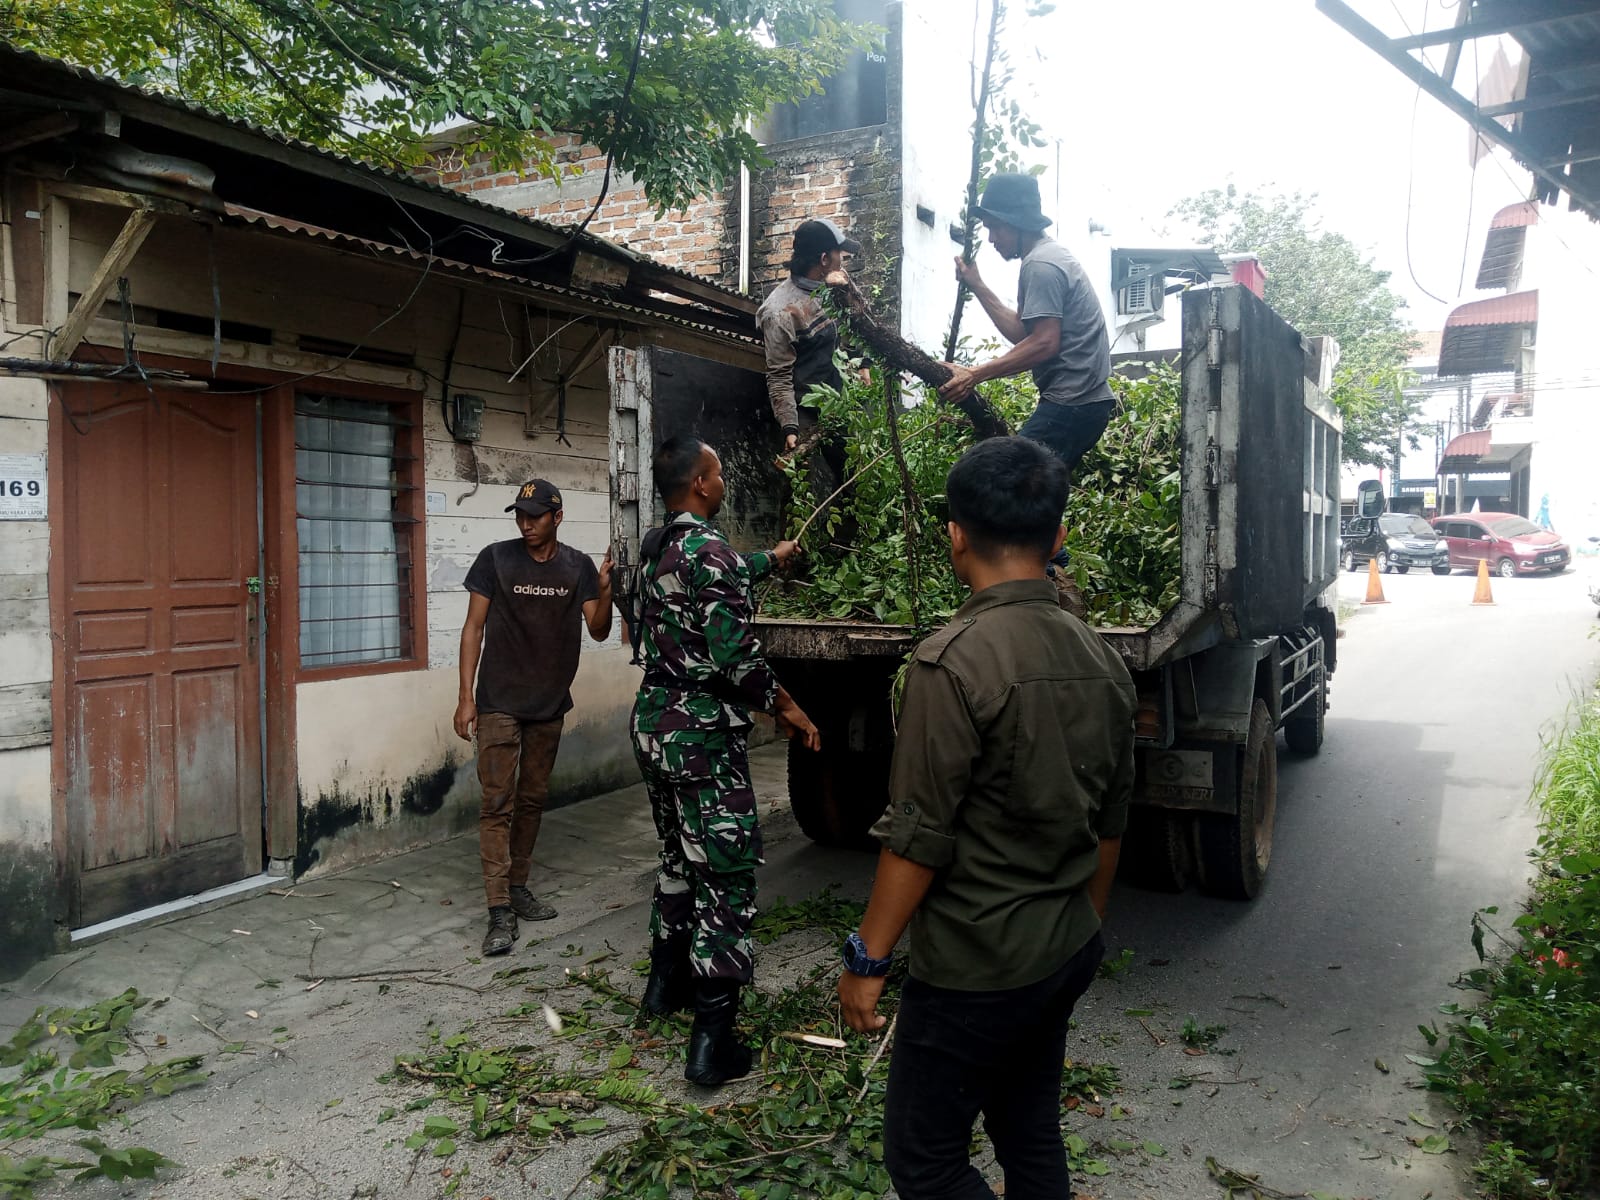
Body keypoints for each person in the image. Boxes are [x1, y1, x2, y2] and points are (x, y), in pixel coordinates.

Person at [836, 436, 1136, 1200]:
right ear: (1058, 537)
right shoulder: (1104, 660)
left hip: (978, 966)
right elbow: (1110, 821)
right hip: (1063, 946)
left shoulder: (951, 662)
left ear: (955, 535)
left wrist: (867, 960)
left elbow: (918, 837)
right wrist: (1087, 927)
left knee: (925, 1161)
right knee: (1028, 1128)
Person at [630, 436, 821, 1086]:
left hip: (654, 722)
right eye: (716, 471)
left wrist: (776, 557)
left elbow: (725, 572)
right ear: (701, 485)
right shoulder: (706, 549)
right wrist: (786, 707)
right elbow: (736, 657)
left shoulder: (657, 548)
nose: (722, 480)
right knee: (729, 876)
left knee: (677, 857)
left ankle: (664, 988)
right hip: (701, 730)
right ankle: (713, 1045)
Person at [939, 173, 1115, 612]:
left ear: (1012, 222)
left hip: (1074, 401)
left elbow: (1044, 344)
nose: (992, 239)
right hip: (1080, 400)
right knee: (1034, 483)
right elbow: (1024, 329)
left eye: (994, 229)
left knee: (1021, 481)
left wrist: (973, 374)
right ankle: (1051, 569)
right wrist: (977, 284)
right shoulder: (1044, 259)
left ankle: (1043, 582)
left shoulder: (1041, 264)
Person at [454, 479, 613, 956]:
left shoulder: (577, 566)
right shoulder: (495, 559)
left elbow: (599, 631)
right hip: (499, 700)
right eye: (520, 515)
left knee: (532, 799)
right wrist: (466, 698)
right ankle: (498, 909)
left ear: (556, 517)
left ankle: (518, 885)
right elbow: (472, 628)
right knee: (496, 803)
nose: (525, 524)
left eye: (535, 516)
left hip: (548, 705)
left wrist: (604, 592)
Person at [756, 217, 861, 505]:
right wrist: (790, 427)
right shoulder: (780, 312)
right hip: (805, 407)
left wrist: (864, 363)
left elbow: (857, 328)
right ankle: (791, 546)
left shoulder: (835, 285)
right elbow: (779, 375)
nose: (844, 260)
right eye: (840, 253)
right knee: (799, 488)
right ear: (825, 259)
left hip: (838, 400)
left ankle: (850, 544)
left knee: (855, 479)